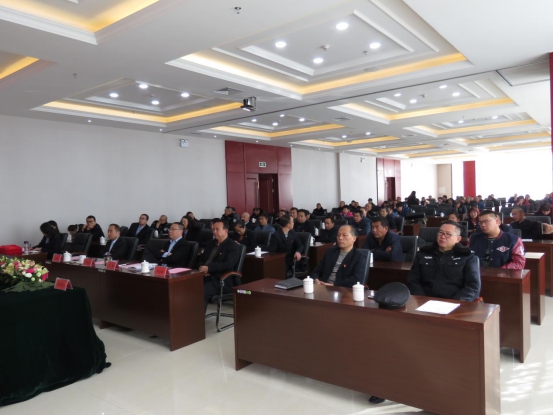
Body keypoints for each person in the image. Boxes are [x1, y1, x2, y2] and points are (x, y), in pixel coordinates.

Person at [407, 221, 481, 301]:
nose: (442, 236)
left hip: (454, 302)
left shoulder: (467, 257)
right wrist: (421, 299)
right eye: (440, 233)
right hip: (424, 301)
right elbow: (413, 280)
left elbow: (473, 286)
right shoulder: (423, 253)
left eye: (448, 234)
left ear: (458, 239)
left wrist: (454, 303)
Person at [199, 220, 241, 311]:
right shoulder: (210, 244)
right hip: (203, 275)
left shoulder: (233, 246)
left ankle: (197, 319)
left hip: (220, 279)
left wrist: (209, 269)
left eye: (217, 229)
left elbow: (227, 265)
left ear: (225, 231)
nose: (214, 232)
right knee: (186, 287)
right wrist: (201, 268)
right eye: (213, 229)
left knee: (201, 292)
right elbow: (202, 260)